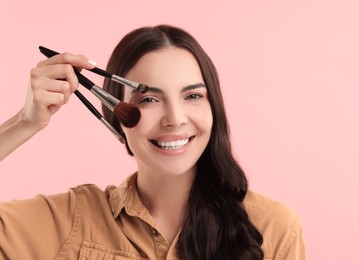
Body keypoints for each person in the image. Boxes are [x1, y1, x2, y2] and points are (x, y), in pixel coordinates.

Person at [0, 25, 306, 259]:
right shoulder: (70, 222)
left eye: (193, 96)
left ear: (214, 109)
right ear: (117, 114)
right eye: (148, 99)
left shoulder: (273, 227)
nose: (174, 117)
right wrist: (23, 124)